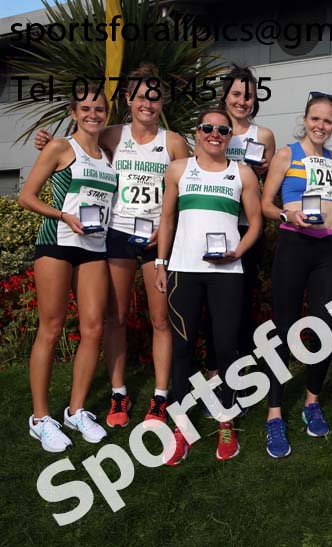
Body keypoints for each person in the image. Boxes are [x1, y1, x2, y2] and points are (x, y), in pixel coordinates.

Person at [33, 65, 189, 426]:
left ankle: (160, 397)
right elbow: (77, 146)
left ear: (161, 101)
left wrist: (170, 229)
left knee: (160, 319)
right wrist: (46, 142)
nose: (147, 104)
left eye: (155, 96)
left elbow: (185, 188)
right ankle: (118, 393)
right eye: (140, 96)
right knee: (114, 318)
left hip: (155, 238)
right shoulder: (111, 135)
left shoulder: (174, 142)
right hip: (115, 234)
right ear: (128, 99)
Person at [155, 108, 262, 464]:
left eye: (222, 129)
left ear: (229, 136)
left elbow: (257, 223)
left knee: (226, 349)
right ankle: (181, 426)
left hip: (227, 274)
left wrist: (237, 253)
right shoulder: (178, 169)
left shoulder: (242, 173)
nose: (215, 134)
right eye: (208, 128)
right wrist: (160, 262)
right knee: (183, 350)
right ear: (197, 132)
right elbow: (167, 218)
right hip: (183, 271)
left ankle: (225, 421)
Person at [20, 91, 117, 452]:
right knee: (52, 327)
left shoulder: (108, 156)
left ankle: (75, 410)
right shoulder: (61, 148)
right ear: (74, 113)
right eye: (86, 109)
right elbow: (26, 196)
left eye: (100, 109)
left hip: (94, 248)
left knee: (92, 328)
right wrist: (63, 216)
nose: (93, 114)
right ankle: (41, 419)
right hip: (57, 242)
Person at [261, 91, 332, 457]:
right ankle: (275, 413)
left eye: (327, 120)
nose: (321, 126)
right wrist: (286, 216)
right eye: (316, 119)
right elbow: (265, 204)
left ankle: (311, 401)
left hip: (327, 247)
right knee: (284, 328)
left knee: (325, 327)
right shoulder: (286, 154)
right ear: (305, 119)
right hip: (294, 244)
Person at [199, 65, 276, 415]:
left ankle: (240, 376)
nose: (242, 100)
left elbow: (271, 183)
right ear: (225, 95)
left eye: (247, 94)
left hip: (248, 229)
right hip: (212, 223)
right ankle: (214, 374)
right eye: (235, 94)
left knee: (242, 305)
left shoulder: (264, 135)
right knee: (210, 305)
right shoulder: (213, 129)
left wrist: (264, 172)